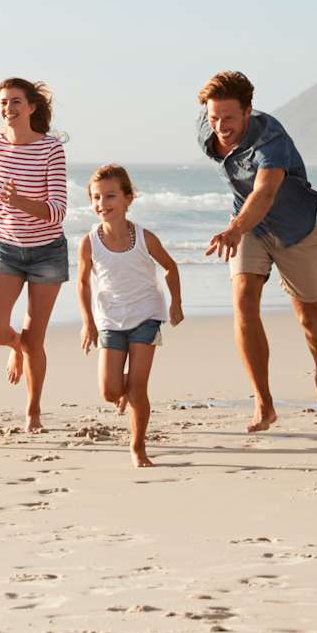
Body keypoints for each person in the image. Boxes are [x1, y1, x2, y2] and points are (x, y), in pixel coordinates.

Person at [196, 71, 317, 432]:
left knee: (310, 319)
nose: (220, 126)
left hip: (294, 229)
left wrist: (233, 230)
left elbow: (264, 192)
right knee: (244, 302)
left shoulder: (271, 139)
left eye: (229, 118)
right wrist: (239, 227)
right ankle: (263, 402)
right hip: (250, 227)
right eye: (213, 117)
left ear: (248, 111)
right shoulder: (207, 129)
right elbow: (247, 196)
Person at [0, 78, 68, 433]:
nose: (8, 108)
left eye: (16, 101)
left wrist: (19, 201)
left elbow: (58, 211)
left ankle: (33, 411)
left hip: (47, 253)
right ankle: (15, 346)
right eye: (4, 102)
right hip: (6, 248)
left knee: (36, 339)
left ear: (31, 107)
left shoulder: (50, 149)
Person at [75, 164, 184, 467]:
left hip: (146, 315)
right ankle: (124, 392)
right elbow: (82, 283)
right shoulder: (89, 242)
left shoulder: (145, 237)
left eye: (110, 196)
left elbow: (170, 267)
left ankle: (138, 448)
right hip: (110, 319)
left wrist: (176, 304)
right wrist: (87, 322)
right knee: (110, 390)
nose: (102, 204)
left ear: (127, 198)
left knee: (138, 389)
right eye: (96, 197)